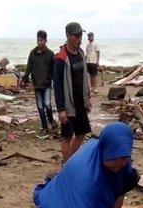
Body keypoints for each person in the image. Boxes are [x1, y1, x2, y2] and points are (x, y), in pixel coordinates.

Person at [53, 22, 92, 162]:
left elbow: (84, 78)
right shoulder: (61, 58)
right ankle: (66, 166)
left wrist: (88, 98)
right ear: (68, 36)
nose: (79, 38)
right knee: (67, 137)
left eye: (80, 35)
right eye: (76, 35)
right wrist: (61, 109)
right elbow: (57, 85)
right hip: (68, 104)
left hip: (80, 102)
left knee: (81, 133)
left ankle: (71, 162)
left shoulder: (81, 54)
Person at [23, 30, 57, 134]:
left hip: (46, 83)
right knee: (40, 106)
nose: (39, 42)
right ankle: (44, 127)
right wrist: (24, 78)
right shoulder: (32, 53)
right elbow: (29, 67)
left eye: (41, 40)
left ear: (45, 41)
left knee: (47, 104)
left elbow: (54, 69)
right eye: (38, 40)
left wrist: (55, 81)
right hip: (37, 83)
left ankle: (51, 121)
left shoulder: (50, 54)